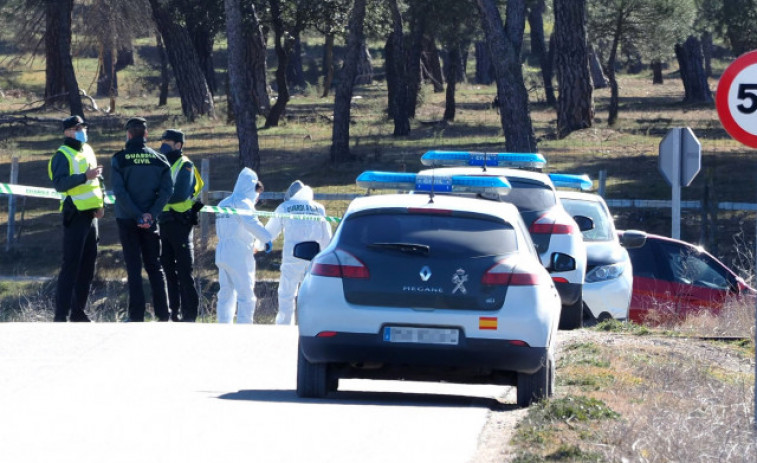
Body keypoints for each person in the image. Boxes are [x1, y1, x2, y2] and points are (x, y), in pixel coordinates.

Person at [111, 117, 173, 322]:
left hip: (127, 219)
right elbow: (167, 191)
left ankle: (136, 315)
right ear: (146, 134)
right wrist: (150, 214)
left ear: (128, 134)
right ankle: (164, 315)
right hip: (150, 220)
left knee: (133, 267)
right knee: (155, 267)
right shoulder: (160, 159)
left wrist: (137, 214)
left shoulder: (119, 159)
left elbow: (119, 192)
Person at [48, 115, 105, 322]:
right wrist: (84, 177)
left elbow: (98, 179)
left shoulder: (88, 149)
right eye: (77, 127)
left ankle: (78, 311)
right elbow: (60, 184)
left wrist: (101, 203)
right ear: (67, 132)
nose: (81, 130)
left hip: (92, 214)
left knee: (88, 266)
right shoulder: (62, 155)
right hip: (75, 214)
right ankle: (61, 314)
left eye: (82, 126)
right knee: (71, 264)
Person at [265, 180, 332, 325]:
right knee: (312, 296)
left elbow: (269, 231)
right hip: (314, 260)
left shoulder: (285, 207)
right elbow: (327, 237)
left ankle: (284, 327)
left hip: (292, 259)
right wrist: (327, 257)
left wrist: (258, 244)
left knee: (286, 295)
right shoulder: (318, 209)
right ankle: (312, 327)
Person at [215, 168, 273, 324]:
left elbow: (231, 227)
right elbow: (251, 223)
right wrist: (266, 239)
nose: (257, 198)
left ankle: (223, 326)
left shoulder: (224, 202)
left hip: (222, 251)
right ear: (251, 187)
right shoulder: (243, 203)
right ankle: (244, 328)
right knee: (246, 294)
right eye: (257, 193)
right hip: (238, 253)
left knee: (226, 294)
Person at [157, 129, 204, 322]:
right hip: (165, 222)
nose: (163, 145)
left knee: (184, 271)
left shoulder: (185, 165)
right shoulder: (162, 164)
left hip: (180, 223)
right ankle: (173, 312)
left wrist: (157, 197)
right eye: (163, 141)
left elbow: (180, 194)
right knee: (168, 269)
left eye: (168, 141)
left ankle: (189, 315)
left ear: (179, 145)